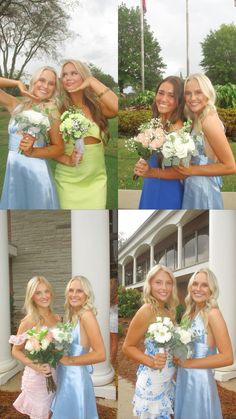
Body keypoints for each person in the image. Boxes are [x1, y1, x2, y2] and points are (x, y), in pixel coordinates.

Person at [135, 73, 236, 209]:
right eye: (188, 93)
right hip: (192, 186)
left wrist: (191, 170)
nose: (193, 98)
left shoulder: (208, 120)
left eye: (198, 92)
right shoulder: (197, 119)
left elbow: (230, 166)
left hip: (202, 189)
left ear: (208, 93)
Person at [53, 59, 118, 209]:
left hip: (96, 179)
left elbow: (116, 106)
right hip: (68, 180)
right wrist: (67, 159)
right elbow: (51, 147)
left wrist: (91, 80)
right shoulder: (58, 110)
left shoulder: (97, 107)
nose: (68, 78)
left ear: (83, 76)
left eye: (74, 73)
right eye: (64, 75)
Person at [0, 67, 64, 209]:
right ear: (33, 82)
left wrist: (33, 151)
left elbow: (59, 148)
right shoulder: (16, 105)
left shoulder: (51, 110)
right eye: (41, 80)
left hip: (36, 172)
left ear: (54, 89)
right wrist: (17, 83)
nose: (45, 86)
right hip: (14, 170)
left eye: (51, 83)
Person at [174, 268, 233, 419]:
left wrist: (189, 363)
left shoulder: (213, 314)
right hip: (183, 377)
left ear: (212, 290)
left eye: (204, 285)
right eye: (195, 284)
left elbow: (227, 357)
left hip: (200, 383)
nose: (198, 289)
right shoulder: (189, 314)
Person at [122, 265, 179, 418]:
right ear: (150, 285)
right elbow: (127, 347)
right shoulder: (147, 310)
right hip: (152, 383)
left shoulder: (168, 311)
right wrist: (151, 361)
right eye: (158, 282)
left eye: (168, 283)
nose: (164, 287)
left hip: (166, 380)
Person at [51, 275, 106, 419]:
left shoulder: (86, 315)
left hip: (75, 379)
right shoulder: (72, 314)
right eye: (71, 290)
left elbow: (101, 354)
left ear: (86, 295)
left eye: (79, 291)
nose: (74, 295)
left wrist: (68, 360)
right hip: (65, 375)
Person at [9, 276, 60, 419]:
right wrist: (36, 366)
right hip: (37, 378)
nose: (44, 296)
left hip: (56, 374)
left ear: (51, 292)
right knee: (41, 414)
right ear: (32, 297)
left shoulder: (57, 318)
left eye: (46, 291)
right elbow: (15, 350)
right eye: (38, 293)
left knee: (52, 413)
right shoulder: (28, 321)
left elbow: (58, 347)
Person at [134, 76, 185, 209]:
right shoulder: (158, 121)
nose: (163, 99)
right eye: (161, 93)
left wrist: (151, 172)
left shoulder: (178, 129)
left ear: (179, 100)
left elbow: (183, 171)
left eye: (171, 95)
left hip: (166, 192)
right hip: (150, 186)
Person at [110, 277, 118, 365]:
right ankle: (112, 362)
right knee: (114, 342)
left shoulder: (109, 296)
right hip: (114, 320)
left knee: (110, 342)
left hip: (109, 319)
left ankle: (110, 360)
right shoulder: (116, 297)